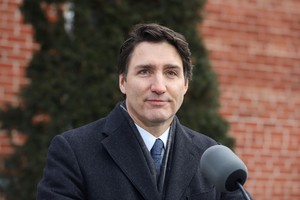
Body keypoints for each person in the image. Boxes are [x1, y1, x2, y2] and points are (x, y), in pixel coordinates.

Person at [37, 23, 246, 199]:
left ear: (185, 85)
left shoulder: (211, 156)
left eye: (171, 73)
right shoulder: (74, 151)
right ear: (123, 82)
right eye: (145, 71)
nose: (159, 86)